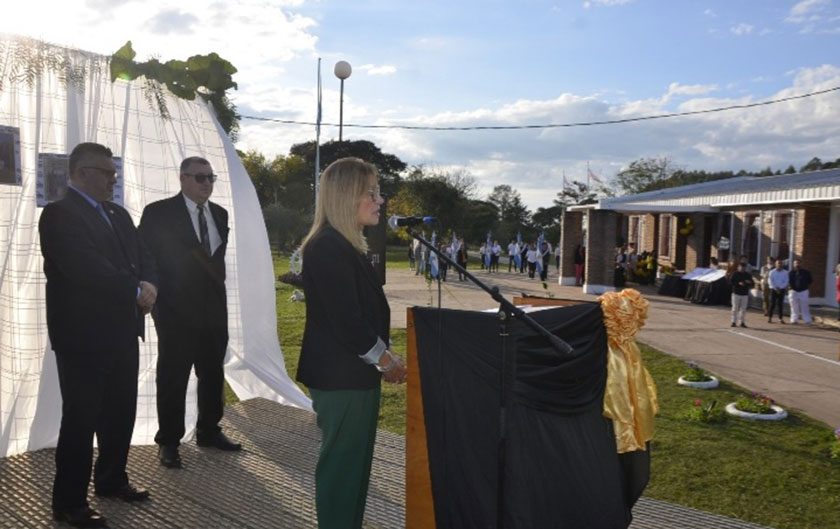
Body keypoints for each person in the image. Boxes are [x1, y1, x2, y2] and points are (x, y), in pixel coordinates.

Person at [39, 142, 157, 527]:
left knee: (120, 414)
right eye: (106, 172)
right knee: (81, 419)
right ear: (81, 172)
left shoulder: (118, 214)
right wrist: (135, 289)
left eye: (114, 171)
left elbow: (142, 254)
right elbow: (85, 268)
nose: (113, 178)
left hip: (123, 331)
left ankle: (111, 480)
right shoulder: (59, 215)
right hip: (82, 338)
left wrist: (149, 282)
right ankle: (69, 502)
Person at [296, 158, 407, 529]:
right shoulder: (328, 245)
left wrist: (383, 359)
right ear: (347, 196)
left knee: (355, 468)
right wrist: (386, 361)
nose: (380, 201)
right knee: (342, 469)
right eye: (371, 193)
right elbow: (347, 320)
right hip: (340, 376)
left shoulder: (344, 244)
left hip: (353, 375)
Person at [139, 156, 240, 471]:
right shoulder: (158, 213)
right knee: (173, 376)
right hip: (174, 310)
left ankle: (209, 430)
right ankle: (169, 441)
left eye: (211, 178)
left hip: (213, 310)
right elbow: (145, 255)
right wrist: (152, 290)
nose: (207, 184)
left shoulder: (220, 214)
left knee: (212, 373)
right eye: (200, 178)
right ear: (182, 178)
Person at [729, 262, 755, 328]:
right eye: (741, 267)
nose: (743, 269)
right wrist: (738, 283)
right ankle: (733, 322)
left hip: (744, 294)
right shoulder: (735, 274)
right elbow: (730, 282)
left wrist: (748, 283)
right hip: (736, 293)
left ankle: (742, 322)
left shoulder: (748, 275)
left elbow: (752, 284)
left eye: (744, 268)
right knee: (735, 308)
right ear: (738, 267)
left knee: (743, 309)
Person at [788, 259, 813, 324]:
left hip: (803, 291)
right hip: (793, 291)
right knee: (794, 307)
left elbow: (810, 281)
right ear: (793, 264)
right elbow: (788, 281)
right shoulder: (791, 273)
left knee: (805, 307)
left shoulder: (806, 272)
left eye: (798, 263)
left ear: (801, 264)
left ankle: (807, 320)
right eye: (796, 263)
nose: (797, 265)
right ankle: (794, 320)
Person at [768, 259, 789, 324]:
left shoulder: (785, 272)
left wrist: (781, 288)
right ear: (775, 264)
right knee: (772, 304)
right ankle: (770, 318)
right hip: (773, 290)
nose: (779, 265)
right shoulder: (772, 272)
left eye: (780, 263)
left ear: (782, 265)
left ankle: (780, 318)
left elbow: (786, 281)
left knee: (780, 304)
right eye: (778, 263)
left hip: (781, 290)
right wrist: (775, 288)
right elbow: (770, 281)